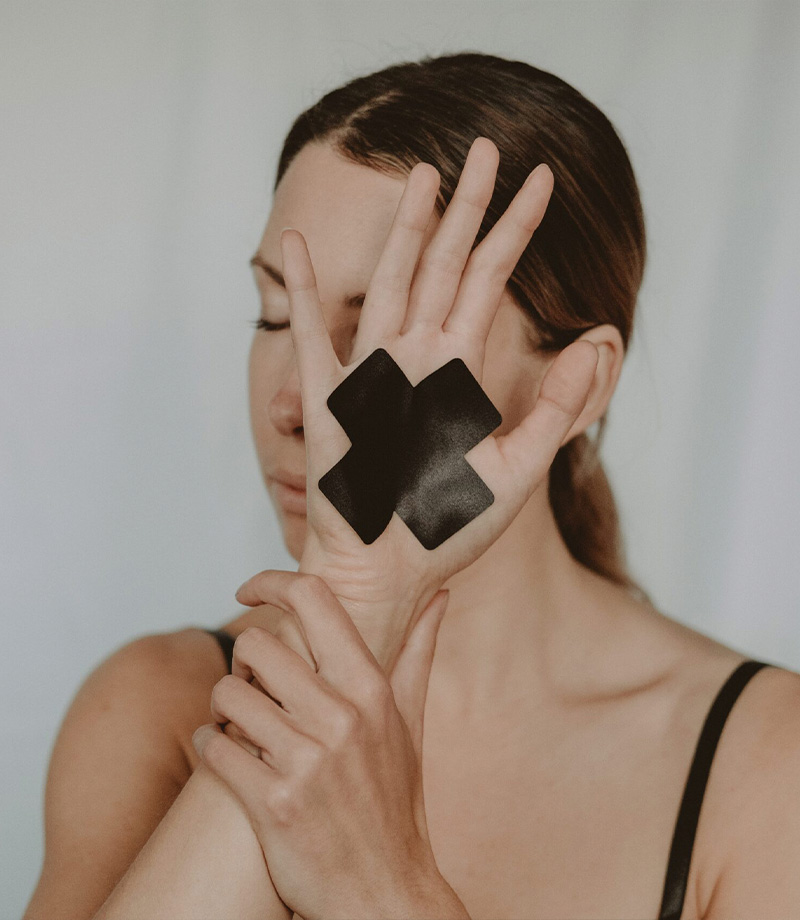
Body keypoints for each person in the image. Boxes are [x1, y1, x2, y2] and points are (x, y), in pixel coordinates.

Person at [24, 51, 800, 920]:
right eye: (276, 317)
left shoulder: (768, 762)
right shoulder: (155, 702)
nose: (293, 405)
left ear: (573, 386)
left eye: (383, 341)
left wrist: (386, 888)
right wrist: (355, 603)